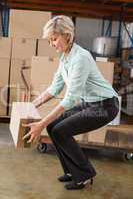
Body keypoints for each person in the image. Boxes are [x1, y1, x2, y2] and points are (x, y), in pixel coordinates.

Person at [23, 15, 119, 190]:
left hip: (106, 105)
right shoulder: (65, 58)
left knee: (60, 130)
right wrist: (32, 105)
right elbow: (54, 88)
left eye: (54, 39)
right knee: (53, 127)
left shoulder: (81, 58)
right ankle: (71, 171)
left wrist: (41, 123)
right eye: (50, 40)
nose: (52, 44)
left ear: (67, 35)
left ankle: (84, 175)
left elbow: (70, 98)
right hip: (90, 102)